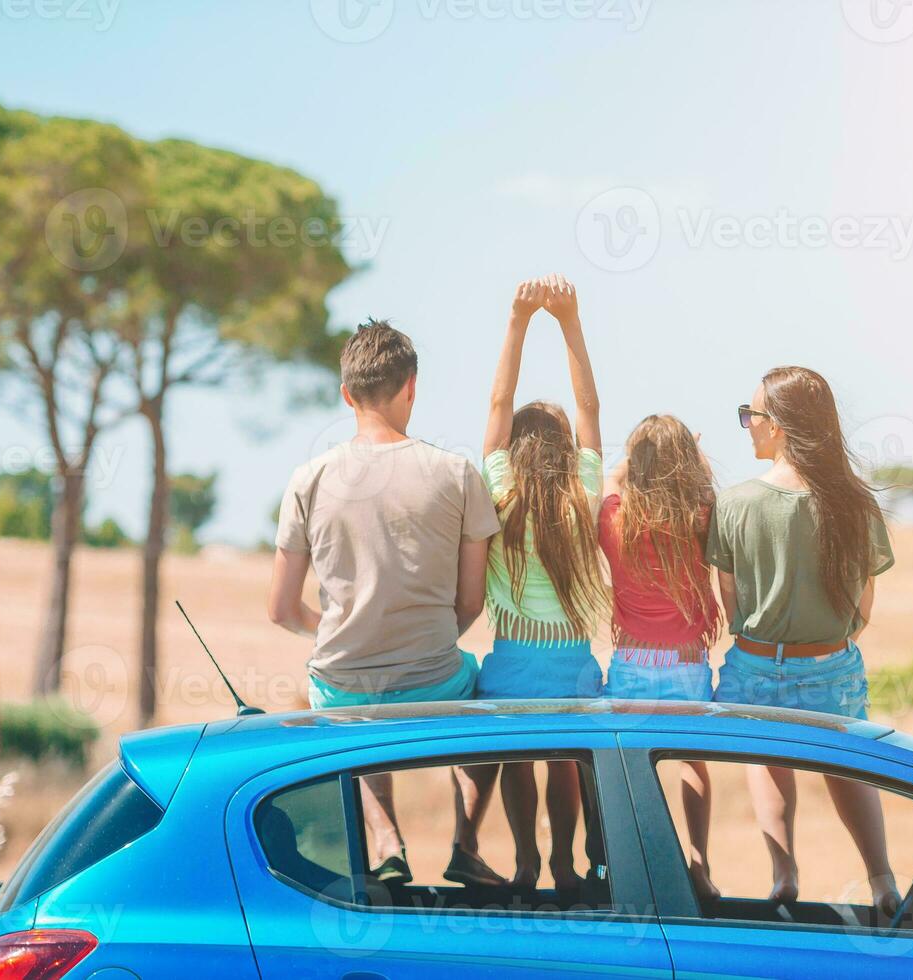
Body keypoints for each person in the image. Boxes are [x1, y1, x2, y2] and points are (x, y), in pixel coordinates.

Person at [268, 319, 506, 889]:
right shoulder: (457, 473)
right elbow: (470, 601)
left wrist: (338, 629)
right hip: (434, 676)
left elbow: (279, 608)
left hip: (342, 679)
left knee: (349, 702)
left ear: (347, 394)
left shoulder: (309, 478)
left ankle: (386, 838)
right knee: (491, 693)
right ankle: (466, 844)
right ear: (412, 387)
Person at [708, 365, 900, 917]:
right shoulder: (854, 501)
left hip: (756, 662)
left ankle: (784, 872)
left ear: (781, 426)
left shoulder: (736, 502)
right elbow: (864, 605)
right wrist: (828, 644)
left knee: (766, 760)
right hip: (831, 663)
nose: (746, 425)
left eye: (751, 415)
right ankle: (882, 877)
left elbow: (731, 605)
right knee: (849, 766)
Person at [475, 274, 609, 892]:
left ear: (517, 450)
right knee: (568, 759)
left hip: (510, 666)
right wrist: (570, 321)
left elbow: (498, 408)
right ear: (563, 450)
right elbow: (590, 409)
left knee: (516, 757)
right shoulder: (583, 497)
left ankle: (525, 860)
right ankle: (564, 863)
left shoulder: (499, 494)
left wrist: (517, 319)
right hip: (575, 669)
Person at [599, 414, 721, 901]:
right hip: (687, 664)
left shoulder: (614, 518)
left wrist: (635, 458)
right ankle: (698, 860)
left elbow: (611, 477)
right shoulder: (701, 518)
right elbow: (706, 486)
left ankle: (637, 871)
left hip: (632, 665)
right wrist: (691, 455)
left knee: (627, 770)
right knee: (692, 763)